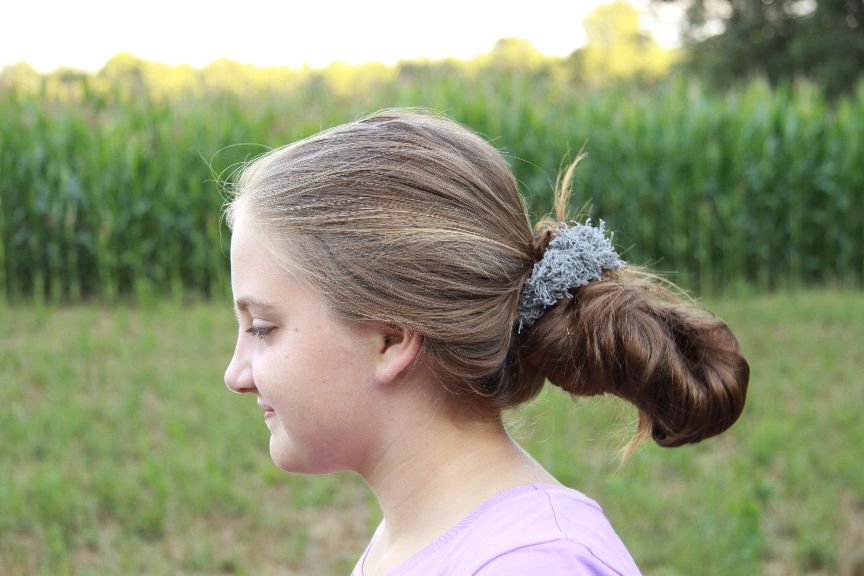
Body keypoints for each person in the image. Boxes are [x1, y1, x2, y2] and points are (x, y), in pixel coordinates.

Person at [222, 109, 749, 575]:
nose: (235, 374)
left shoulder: (531, 563)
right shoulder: (416, 537)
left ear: (391, 337)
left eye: (262, 327)